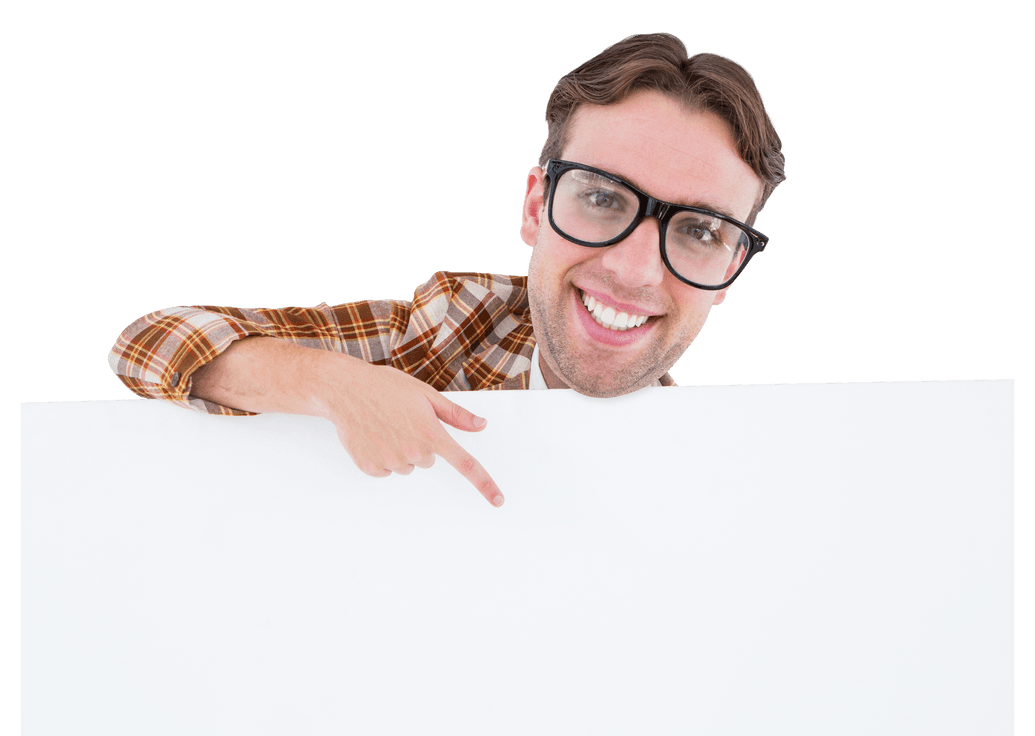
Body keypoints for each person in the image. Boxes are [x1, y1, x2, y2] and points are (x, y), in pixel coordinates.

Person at [108, 32, 786, 508]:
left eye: (699, 230)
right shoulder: (443, 332)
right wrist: (336, 386)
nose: (635, 269)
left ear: (729, 271)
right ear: (534, 205)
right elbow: (151, 342)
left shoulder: (714, 474)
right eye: (602, 198)